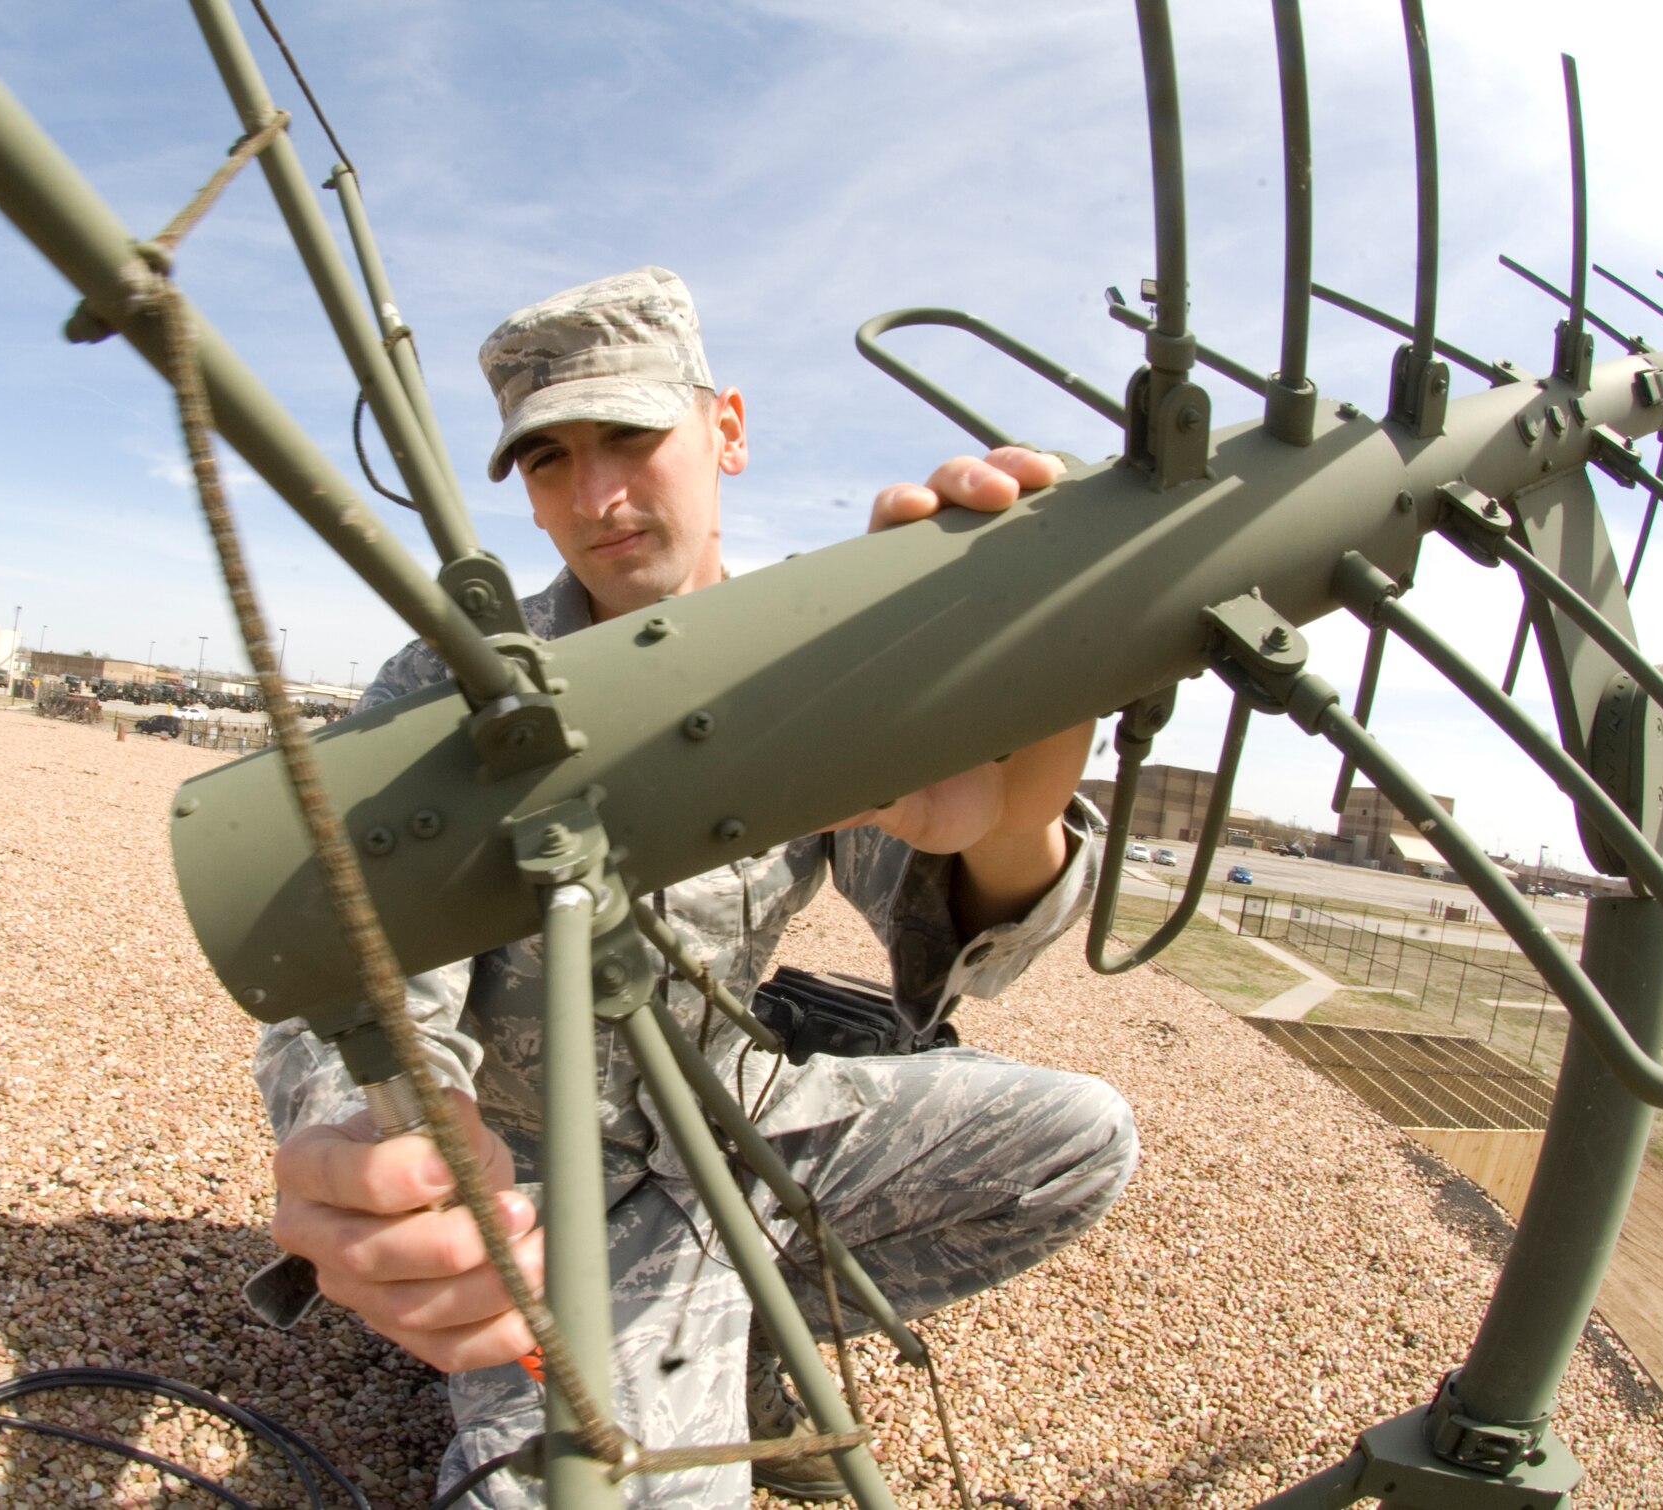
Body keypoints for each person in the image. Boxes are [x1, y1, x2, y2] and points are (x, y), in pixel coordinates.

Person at [251, 267, 1138, 1506]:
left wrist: (1022, 780)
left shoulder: (816, 655)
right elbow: (364, 968)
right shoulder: (470, 683)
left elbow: (949, 908)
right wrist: (381, 1142)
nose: (597, 498)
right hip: (551, 1183)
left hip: (739, 1121)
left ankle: (744, 1333)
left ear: (723, 430)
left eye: (630, 437)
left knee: (1077, 1136)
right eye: (550, 461)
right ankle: (648, 1353)